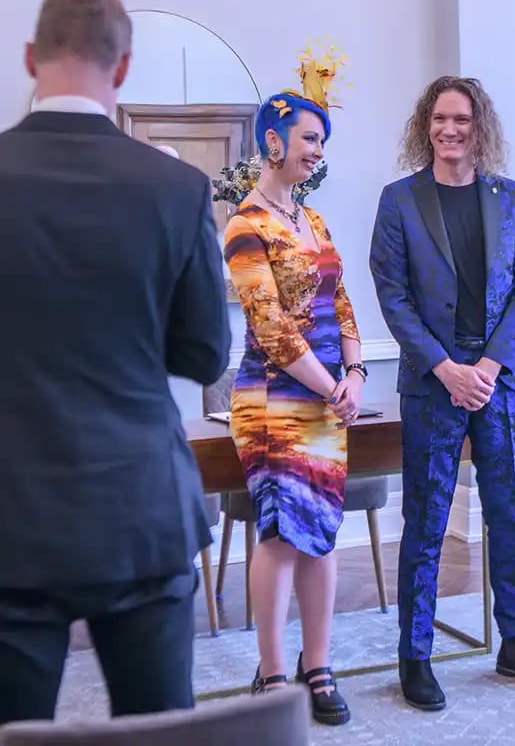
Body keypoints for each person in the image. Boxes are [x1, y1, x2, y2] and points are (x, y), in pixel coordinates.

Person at [0, 0, 230, 723]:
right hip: (142, 509)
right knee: (159, 731)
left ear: (31, 58)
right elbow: (203, 354)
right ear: (123, 68)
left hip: (11, 514)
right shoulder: (176, 188)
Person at [369, 76, 515, 711]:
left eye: (461, 119)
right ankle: (416, 655)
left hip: (500, 382)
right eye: (438, 119)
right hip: (433, 387)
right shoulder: (399, 200)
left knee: (508, 515)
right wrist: (446, 368)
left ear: (479, 126)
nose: (449, 129)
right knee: (426, 521)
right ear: (424, 126)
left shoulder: (510, 199)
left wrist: (486, 364)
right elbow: (392, 294)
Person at [223, 47, 363, 726]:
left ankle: (319, 665)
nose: (316, 152)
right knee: (280, 533)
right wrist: (329, 384)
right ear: (273, 139)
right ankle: (274, 674)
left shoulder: (314, 221)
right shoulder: (244, 225)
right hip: (273, 401)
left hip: (326, 400)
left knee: (322, 532)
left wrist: (356, 373)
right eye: (310, 139)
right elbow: (271, 328)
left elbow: (343, 305)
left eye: (321, 142)